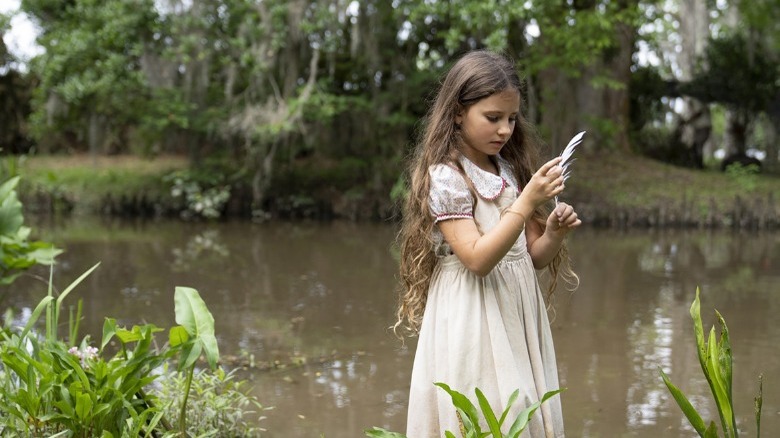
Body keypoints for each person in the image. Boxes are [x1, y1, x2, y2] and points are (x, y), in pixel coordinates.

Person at [395, 50, 581, 437]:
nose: (505, 130)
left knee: (522, 404)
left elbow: (533, 258)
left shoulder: (509, 170)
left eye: (512, 119)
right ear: (459, 112)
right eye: (492, 118)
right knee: (486, 405)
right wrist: (528, 200)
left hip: (514, 312)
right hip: (473, 312)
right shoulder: (447, 177)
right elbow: (477, 259)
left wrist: (553, 234)